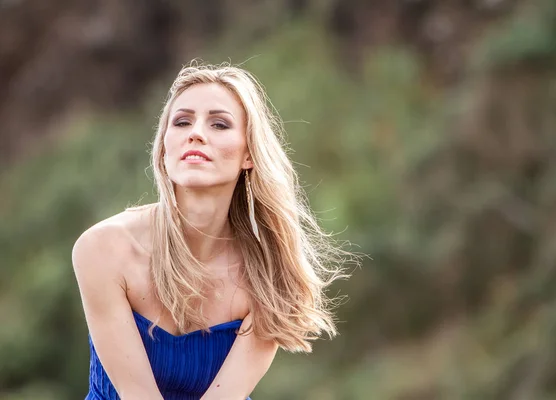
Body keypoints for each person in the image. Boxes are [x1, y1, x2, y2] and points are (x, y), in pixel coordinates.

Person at [72, 61, 352, 400]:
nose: (196, 133)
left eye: (219, 124)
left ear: (249, 154)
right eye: (182, 121)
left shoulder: (269, 271)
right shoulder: (103, 249)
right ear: (163, 148)